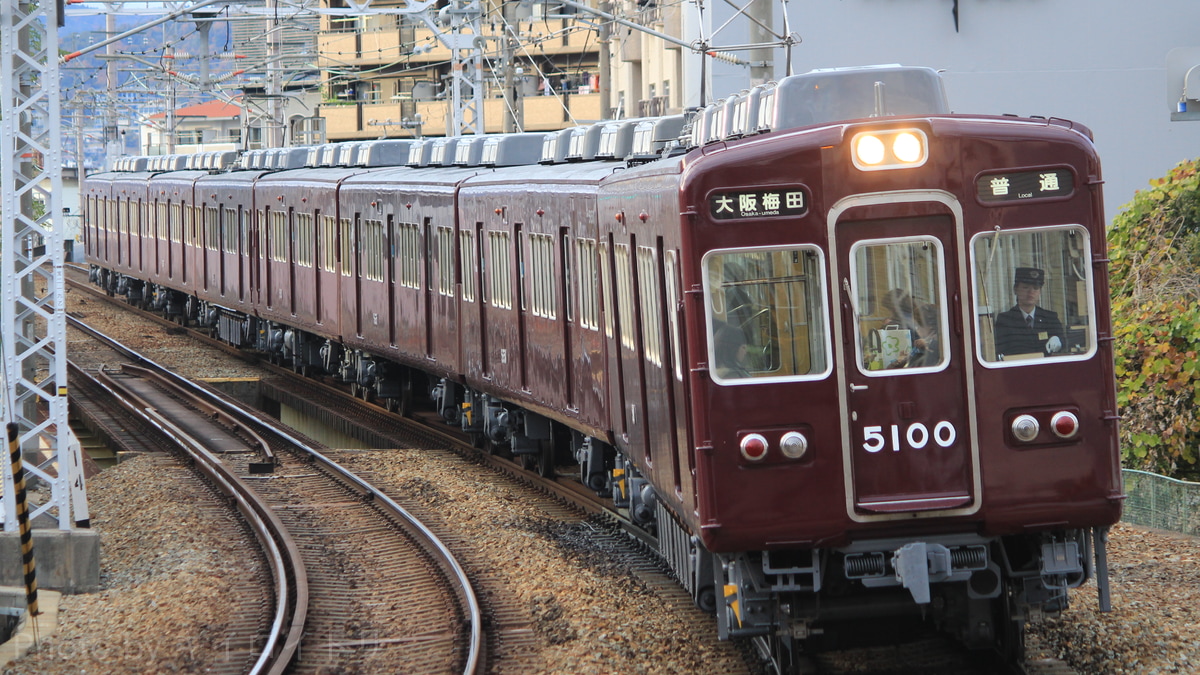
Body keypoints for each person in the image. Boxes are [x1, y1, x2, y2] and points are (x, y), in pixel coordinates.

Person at [993, 267, 1065, 358]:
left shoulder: (1050, 317)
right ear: (1016, 289)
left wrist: (1058, 340)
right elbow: (1000, 349)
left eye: (1035, 288)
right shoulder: (1005, 319)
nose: (1031, 292)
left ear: (1040, 292)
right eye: (1025, 287)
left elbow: (1063, 341)